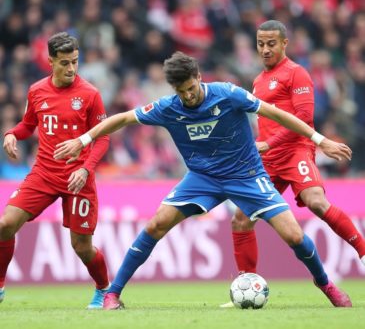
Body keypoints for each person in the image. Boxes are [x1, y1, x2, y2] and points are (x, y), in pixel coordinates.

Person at [54, 51, 353, 310]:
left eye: (191, 88)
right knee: (156, 224)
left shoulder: (228, 94)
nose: (188, 96)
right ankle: (113, 293)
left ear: (199, 77)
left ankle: (326, 286)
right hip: (202, 178)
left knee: (294, 236)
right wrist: (83, 139)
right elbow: (122, 119)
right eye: (181, 91)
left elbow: (276, 112)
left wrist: (318, 139)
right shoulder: (168, 107)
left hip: (246, 175)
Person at [223, 20, 365, 301]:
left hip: (295, 151)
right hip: (267, 161)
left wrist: (269, 143)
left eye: (271, 44)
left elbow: (304, 118)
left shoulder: (296, 74)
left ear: (285, 43)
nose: (265, 49)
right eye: (260, 44)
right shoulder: (258, 81)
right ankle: (245, 283)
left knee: (316, 201)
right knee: (240, 219)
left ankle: (362, 250)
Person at [0, 32, 110, 309]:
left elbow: (104, 138)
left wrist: (85, 169)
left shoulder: (90, 94)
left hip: (78, 178)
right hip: (44, 174)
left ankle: (104, 290)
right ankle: (0, 285)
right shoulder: (37, 90)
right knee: (4, 225)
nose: (71, 68)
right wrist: (12, 133)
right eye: (64, 63)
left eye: (75, 61)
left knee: (81, 247)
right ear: (50, 61)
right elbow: (28, 125)